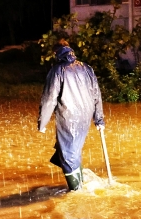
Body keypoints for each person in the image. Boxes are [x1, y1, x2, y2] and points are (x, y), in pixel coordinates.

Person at [38, 40, 105, 191]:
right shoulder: (86, 68)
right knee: (69, 150)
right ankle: (80, 181)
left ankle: (77, 193)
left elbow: (50, 98)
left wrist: (42, 123)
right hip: (85, 116)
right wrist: (99, 119)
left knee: (68, 155)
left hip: (69, 116)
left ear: (56, 53)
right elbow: (96, 94)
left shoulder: (58, 70)